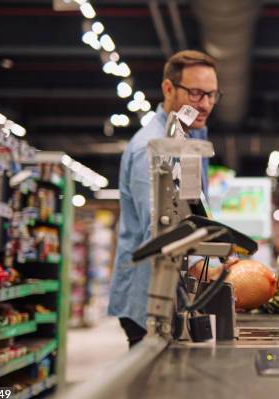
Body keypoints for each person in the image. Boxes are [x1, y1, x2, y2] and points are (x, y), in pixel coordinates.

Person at [109, 50, 221, 348]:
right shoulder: (150, 148)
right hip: (148, 297)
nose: (206, 104)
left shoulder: (190, 135)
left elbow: (192, 213)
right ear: (168, 89)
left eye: (212, 95)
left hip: (177, 291)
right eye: (197, 94)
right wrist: (214, 268)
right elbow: (158, 234)